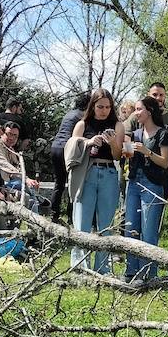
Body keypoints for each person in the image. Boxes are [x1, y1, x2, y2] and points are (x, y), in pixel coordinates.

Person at [69, 89, 125, 273]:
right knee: (81, 223)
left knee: (106, 225)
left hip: (109, 172)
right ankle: (80, 268)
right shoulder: (82, 124)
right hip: (87, 173)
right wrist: (89, 142)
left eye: (108, 107)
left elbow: (118, 156)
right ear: (92, 106)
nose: (104, 110)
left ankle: (103, 268)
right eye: (100, 106)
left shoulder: (117, 125)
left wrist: (113, 143)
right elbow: (71, 151)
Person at [123, 95, 168, 284]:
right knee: (130, 229)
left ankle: (149, 273)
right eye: (135, 109)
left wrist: (147, 152)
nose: (136, 113)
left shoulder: (163, 134)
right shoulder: (135, 134)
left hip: (152, 185)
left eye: (138, 109)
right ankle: (131, 271)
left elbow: (165, 162)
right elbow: (127, 156)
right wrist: (125, 152)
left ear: (149, 111)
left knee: (149, 230)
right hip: (134, 183)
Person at [51, 91, 91, 221]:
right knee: (73, 181)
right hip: (67, 148)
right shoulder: (82, 117)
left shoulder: (69, 114)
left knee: (59, 183)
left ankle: (54, 214)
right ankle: (71, 215)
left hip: (55, 147)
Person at [0, 120, 43, 209]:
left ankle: (36, 205)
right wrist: (26, 179)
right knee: (22, 184)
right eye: (9, 134)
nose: (12, 138)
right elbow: (5, 165)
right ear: (2, 133)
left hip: (10, 182)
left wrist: (28, 180)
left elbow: (17, 168)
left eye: (15, 136)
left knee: (30, 197)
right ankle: (38, 200)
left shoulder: (10, 148)